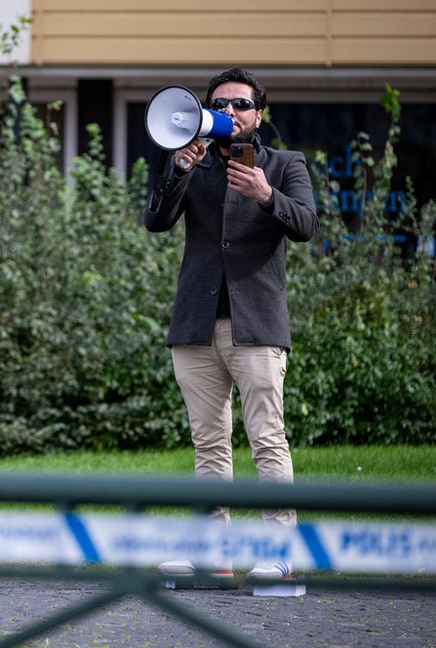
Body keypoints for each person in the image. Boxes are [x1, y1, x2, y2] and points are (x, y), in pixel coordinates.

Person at [141, 69, 319, 581]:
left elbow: (306, 225)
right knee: (209, 443)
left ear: (258, 113)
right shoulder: (190, 161)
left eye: (239, 104)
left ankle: (279, 554)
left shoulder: (285, 165)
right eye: (219, 104)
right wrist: (177, 170)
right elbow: (155, 221)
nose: (228, 113)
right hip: (196, 324)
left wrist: (266, 194)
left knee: (267, 437)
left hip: (256, 325)